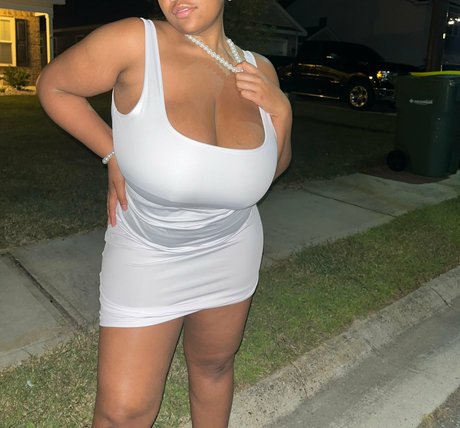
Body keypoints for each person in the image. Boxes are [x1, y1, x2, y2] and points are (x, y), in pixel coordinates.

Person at [37, 0, 292, 426]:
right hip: (148, 251)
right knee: (123, 412)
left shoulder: (260, 69)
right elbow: (54, 86)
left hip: (231, 248)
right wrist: (112, 152)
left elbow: (273, 167)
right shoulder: (134, 42)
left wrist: (281, 110)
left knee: (214, 368)